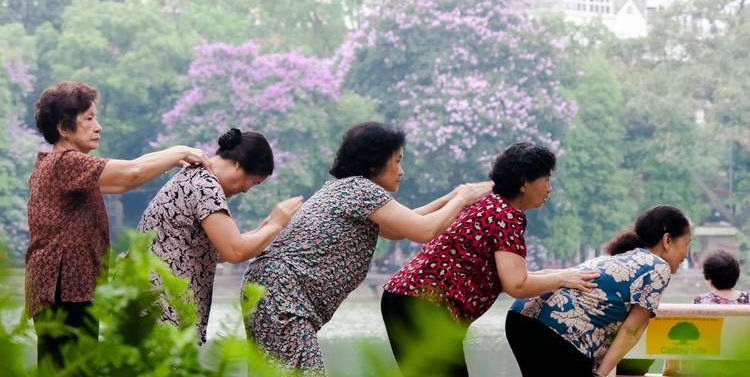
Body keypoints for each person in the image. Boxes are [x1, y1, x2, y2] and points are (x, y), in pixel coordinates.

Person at [241, 122, 491, 374]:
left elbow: (401, 226)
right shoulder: (363, 191)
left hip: (269, 288)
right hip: (283, 295)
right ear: (374, 163)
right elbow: (423, 230)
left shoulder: (345, 189)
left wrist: (451, 198)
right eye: (397, 161)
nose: (401, 171)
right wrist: (463, 198)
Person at [26, 81, 212, 369]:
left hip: (67, 289)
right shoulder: (66, 163)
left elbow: (131, 168)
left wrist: (176, 155)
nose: (98, 126)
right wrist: (178, 152)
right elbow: (132, 173)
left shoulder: (61, 165)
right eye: (89, 118)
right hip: (65, 290)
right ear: (64, 127)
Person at [381, 142, 599, 377]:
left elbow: (510, 275)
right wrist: (560, 279)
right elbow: (516, 285)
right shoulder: (506, 215)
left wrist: (556, 275)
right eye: (546, 179)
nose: (550, 189)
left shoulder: (487, 204)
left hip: (403, 297)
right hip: (426, 306)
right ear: (524, 182)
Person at [137, 128, 303, 343]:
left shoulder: (195, 176)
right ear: (237, 165)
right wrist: (276, 224)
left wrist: (264, 229)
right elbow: (235, 251)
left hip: (151, 309)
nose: (246, 190)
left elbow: (218, 250)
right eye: (253, 182)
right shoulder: (206, 187)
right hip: (162, 313)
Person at [507, 205, 692, 377]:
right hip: (558, 331)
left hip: (522, 316)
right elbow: (631, 330)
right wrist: (601, 374)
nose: (686, 253)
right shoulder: (658, 267)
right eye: (687, 243)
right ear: (667, 240)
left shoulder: (625, 257)